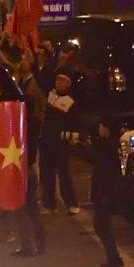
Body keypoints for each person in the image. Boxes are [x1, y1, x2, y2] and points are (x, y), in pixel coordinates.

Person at [87, 115, 126, 267]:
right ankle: (114, 258)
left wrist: (105, 195)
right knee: (102, 225)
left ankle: (114, 259)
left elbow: (104, 170)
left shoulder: (109, 146)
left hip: (104, 191)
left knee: (102, 226)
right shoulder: (108, 144)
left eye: (101, 126)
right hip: (104, 191)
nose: (99, 129)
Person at [37, 72, 79, 213]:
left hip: (60, 142)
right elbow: (40, 77)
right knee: (46, 173)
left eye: (63, 81)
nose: (59, 83)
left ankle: (72, 203)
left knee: (64, 173)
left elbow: (73, 121)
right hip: (47, 140)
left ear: (68, 84)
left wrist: (71, 134)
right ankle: (49, 204)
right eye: (58, 81)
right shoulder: (51, 95)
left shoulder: (70, 101)